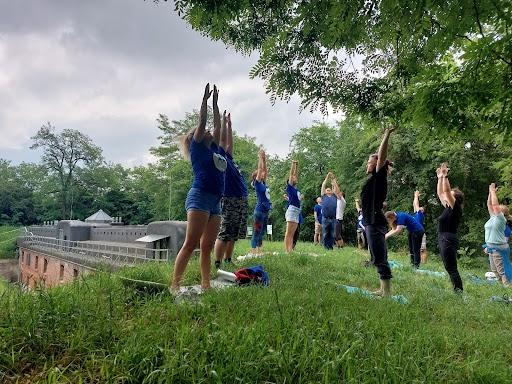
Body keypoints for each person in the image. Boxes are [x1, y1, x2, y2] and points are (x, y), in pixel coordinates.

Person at [172, 84, 226, 292]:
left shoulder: (213, 148)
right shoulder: (196, 147)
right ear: (198, 135)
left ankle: (205, 284)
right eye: (205, 131)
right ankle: (175, 285)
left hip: (215, 201)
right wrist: (205, 101)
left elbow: (218, 127)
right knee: (191, 243)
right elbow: (203, 122)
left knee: (207, 246)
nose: (210, 132)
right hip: (200, 197)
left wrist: (216, 105)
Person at [361, 127, 395, 296]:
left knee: (380, 256)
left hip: (374, 222)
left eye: (369, 162)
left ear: (376, 164)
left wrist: (386, 135)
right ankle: (382, 289)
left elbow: (382, 155)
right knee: (376, 256)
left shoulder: (379, 175)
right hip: (370, 221)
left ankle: (387, 292)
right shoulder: (373, 180)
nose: (367, 165)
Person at [214, 112, 248, 268]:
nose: (228, 148)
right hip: (230, 198)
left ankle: (228, 259)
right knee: (225, 231)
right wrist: (223, 123)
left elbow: (230, 145)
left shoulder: (230, 159)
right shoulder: (220, 158)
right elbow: (223, 141)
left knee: (234, 233)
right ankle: (217, 262)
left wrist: (230, 126)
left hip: (240, 198)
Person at [436, 162, 464, 292]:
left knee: (451, 268)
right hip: (444, 238)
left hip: (447, 239)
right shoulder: (448, 207)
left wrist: (445, 177)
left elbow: (446, 191)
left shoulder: (455, 207)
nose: (447, 197)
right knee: (449, 267)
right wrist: (440, 178)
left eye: (451, 195)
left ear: (455, 198)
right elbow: (441, 193)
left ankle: (458, 292)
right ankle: (457, 289)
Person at [483, 183, 512, 286]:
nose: (495, 209)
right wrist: (490, 193)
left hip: (499, 248)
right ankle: (502, 289)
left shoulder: (500, 219)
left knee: (502, 271)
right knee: (495, 271)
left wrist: (493, 192)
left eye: (498, 209)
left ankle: (508, 288)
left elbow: (494, 206)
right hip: (491, 247)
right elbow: (490, 205)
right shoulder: (493, 217)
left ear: (501, 213)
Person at [249, 149, 272, 256]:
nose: (263, 173)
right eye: (260, 173)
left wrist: (264, 158)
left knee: (261, 232)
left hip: (265, 211)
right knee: (257, 231)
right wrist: (259, 157)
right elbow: (260, 169)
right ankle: (253, 252)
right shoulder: (257, 184)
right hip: (259, 211)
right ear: (256, 176)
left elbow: (265, 171)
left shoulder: (263, 183)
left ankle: (260, 251)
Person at [284, 160, 300, 252]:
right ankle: (287, 250)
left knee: (292, 233)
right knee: (288, 232)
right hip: (292, 210)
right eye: (293, 178)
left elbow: (295, 175)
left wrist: (297, 166)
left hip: (297, 211)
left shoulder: (295, 188)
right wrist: (293, 164)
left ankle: (290, 250)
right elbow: (291, 175)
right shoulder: (290, 187)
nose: (295, 178)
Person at [320, 172, 337, 250]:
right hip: (325, 218)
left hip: (333, 218)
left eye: (330, 189)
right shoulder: (323, 196)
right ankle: (325, 247)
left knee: (332, 234)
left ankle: (330, 247)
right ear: (325, 191)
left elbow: (335, 187)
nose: (329, 190)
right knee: (325, 233)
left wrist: (333, 178)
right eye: (327, 189)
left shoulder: (334, 196)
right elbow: (323, 185)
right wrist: (327, 177)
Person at [413, 190, 428, 263]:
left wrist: (416, 195)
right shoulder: (416, 214)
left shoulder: (420, 215)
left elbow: (416, 204)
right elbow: (415, 205)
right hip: (417, 233)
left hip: (421, 233)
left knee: (423, 249)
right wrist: (415, 197)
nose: (419, 208)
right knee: (418, 249)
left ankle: (424, 263)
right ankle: (420, 262)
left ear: (422, 211)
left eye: (421, 208)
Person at [333, 178, 346, 248]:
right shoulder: (338, 201)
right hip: (336, 219)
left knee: (337, 235)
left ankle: (341, 247)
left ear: (342, 196)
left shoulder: (343, 201)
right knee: (335, 235)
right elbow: (335, 192)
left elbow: (337, 192)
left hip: (339, 219)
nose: (338, 194)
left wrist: (335, 183)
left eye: (340, 194)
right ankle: (338, 247)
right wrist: (333, 184)